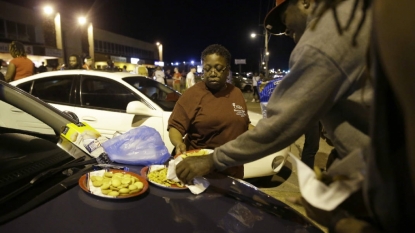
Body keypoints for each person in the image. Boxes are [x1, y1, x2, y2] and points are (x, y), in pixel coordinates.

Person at [176, 0, 372, 193]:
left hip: (376, 169)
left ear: (305, 2)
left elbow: (281, 124)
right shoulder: (356, 18)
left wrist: (212, 160)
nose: (289, 34)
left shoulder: (323, 39)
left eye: (286, 23)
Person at [168, 44, 254, 179]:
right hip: (200, 170)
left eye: (218, 68)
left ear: (227, 70)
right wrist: (179, 143)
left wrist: (259, 131)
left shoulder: (236, 93)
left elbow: (243, 123)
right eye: (207, 69)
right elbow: (176, 126)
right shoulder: (192, 94)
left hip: (232, 168)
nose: (212, 73)